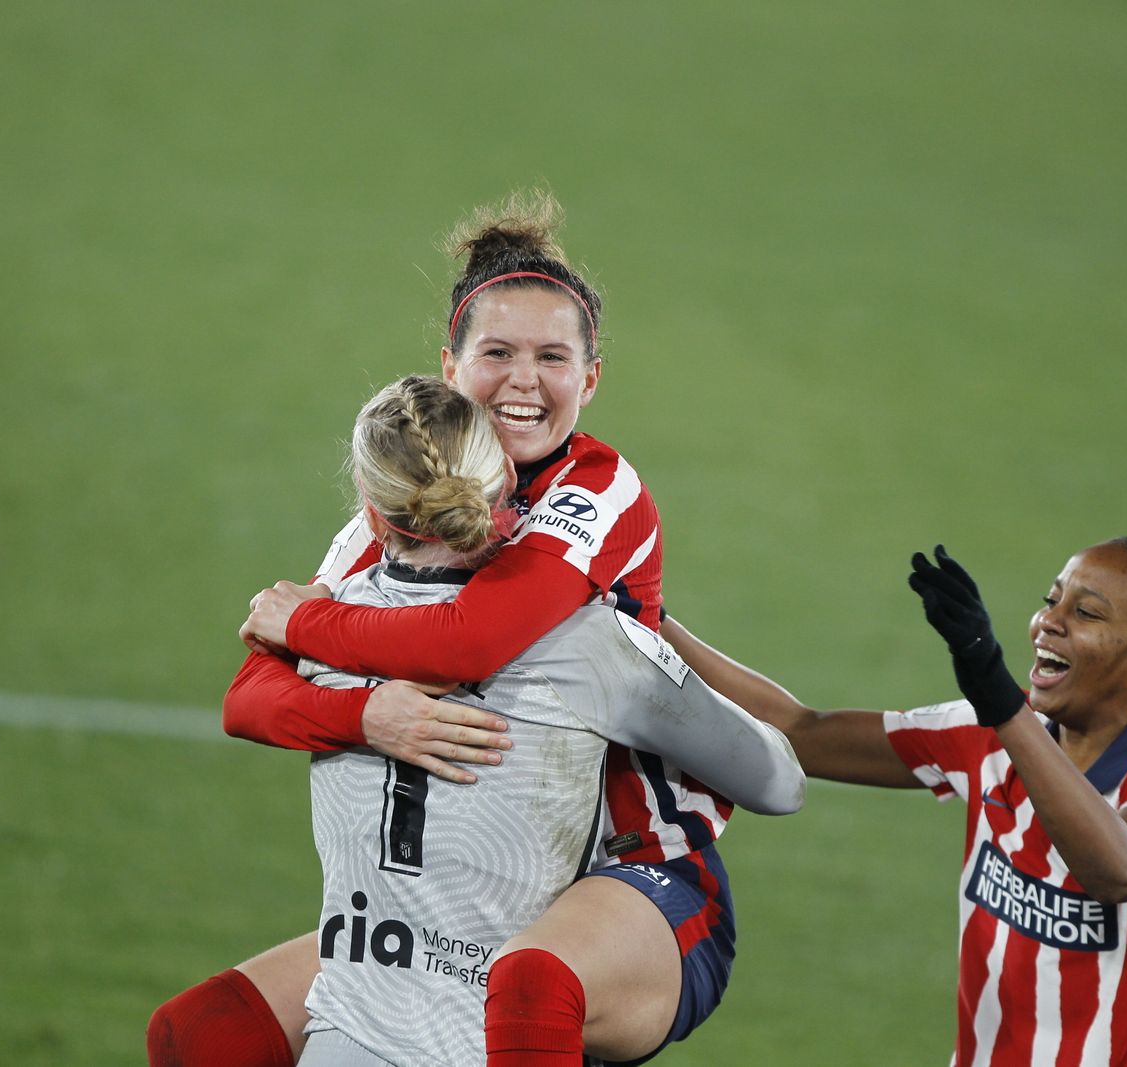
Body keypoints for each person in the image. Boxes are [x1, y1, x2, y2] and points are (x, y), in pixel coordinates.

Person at [148, 194, 777, 1066]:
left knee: (529, 988)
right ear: (451, 365)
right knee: (200, 1035)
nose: (524, 381)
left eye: (553, 356)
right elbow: (251, 696)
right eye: (498, 353)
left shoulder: (595, 492)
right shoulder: (399, 504)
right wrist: (368, 716)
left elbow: (470, 641)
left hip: (632, 877)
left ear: (590, 378)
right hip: (469, 894)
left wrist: (307, 620)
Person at [288, 374, 803, 1065]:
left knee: (200, 1027)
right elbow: (779, 780)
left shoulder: (313, 630)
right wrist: (649, 647)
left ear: (372, 516)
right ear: (506, 488)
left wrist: (358, 706)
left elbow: (245, 701)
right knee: (534, 983)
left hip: (349, 1036)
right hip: (503, 1031)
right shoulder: (585, 640)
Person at [678, 540, 1127, 1066]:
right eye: (1052, 602)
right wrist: (648, 617)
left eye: (1087, 614)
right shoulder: (986, 732)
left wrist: (1003, 707)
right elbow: (800, 731)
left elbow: (1121, 869)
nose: (1049, 622)